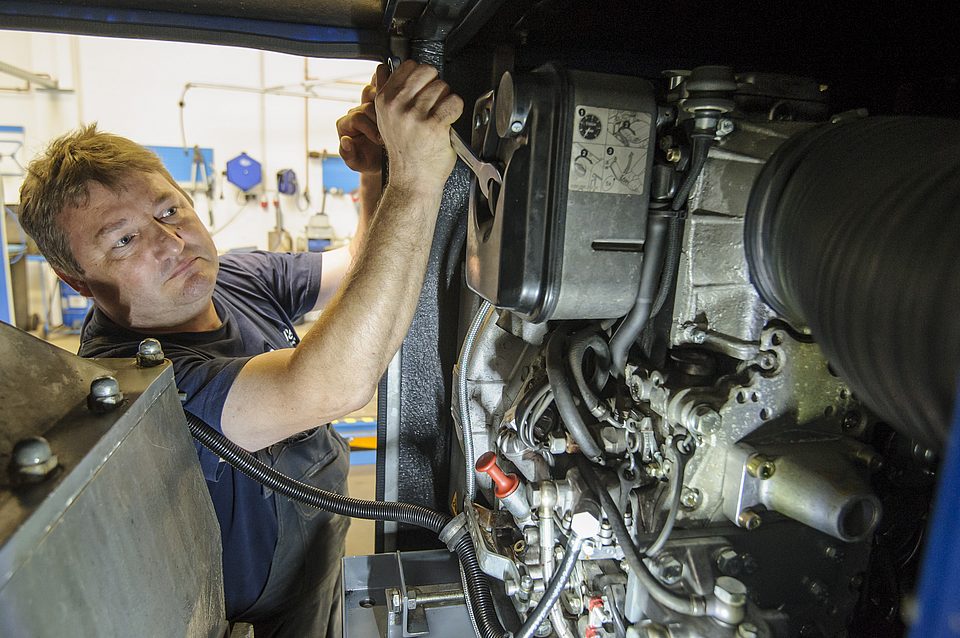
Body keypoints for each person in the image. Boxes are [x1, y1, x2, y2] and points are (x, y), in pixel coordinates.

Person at [15, 60, 463, 637]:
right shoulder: (140, 381)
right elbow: (331, 385)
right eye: (125, 240)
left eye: (169, 210)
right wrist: (418, 180)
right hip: (253, 612)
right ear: (77, 280)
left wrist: (376, 176)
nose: (172, 243)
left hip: (321, 543)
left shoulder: (238, 275)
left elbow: (358, 268)